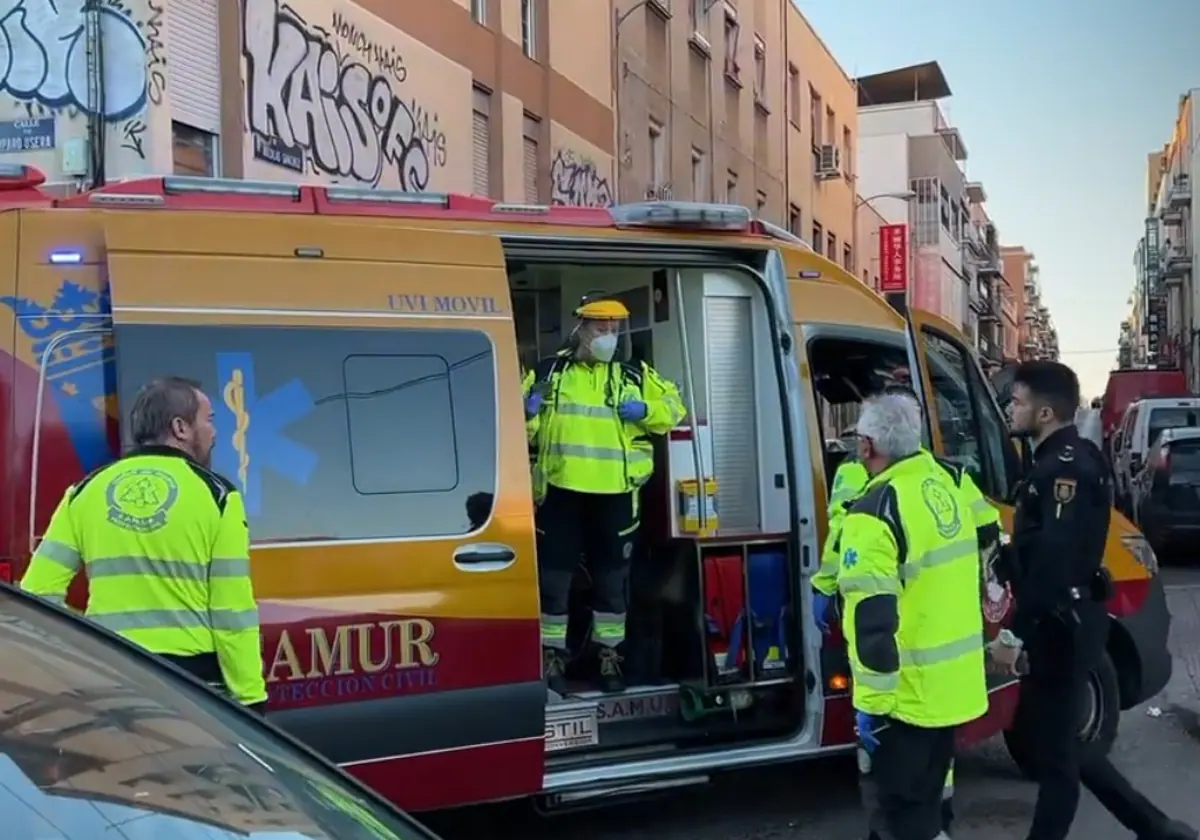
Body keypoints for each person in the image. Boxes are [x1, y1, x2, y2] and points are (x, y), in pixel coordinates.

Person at [994, 361, 1196, 840]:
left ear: (1044, 412)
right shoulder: (1057, 461)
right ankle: (1157, 828)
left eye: (1017, 402)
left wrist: (1011, 634)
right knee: (1061, 747)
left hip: (1063, 624)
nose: (1009, 409)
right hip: (1064, 620)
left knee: (1057, 760)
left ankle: (1154, 828)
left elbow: (1053, 561)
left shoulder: (1065, 468)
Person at [812, 384, 1001, 838]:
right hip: (953, 686)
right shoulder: (953, 481)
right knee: (926, 801)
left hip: (905, 698)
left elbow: (873, 627)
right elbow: (989, 531)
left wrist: (872, 710)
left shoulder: (874, 512)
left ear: (866, 445)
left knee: (904, 817)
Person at [20, 376, 268, 712]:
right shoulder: (219, 497)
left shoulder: (84, 491)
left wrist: (92, 648)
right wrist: (251, 699)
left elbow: (36, 594)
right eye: (208, 420)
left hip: (111, 679)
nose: (215, 431)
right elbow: (232, 613)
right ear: (180, 428)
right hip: (193, 685)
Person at [524, 296, 686, 693]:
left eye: (615, 329)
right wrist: (527, 412)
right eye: (601, 328)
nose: (609, 336)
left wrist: (645, 408)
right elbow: (519, 431)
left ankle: (609, 659)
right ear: (581, 328)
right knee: (554, 585)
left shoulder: (633, 375)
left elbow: (674, 409)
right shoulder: (549, 373)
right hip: (560, 494)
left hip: (615, 496)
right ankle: (552, 659)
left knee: (611, 585)